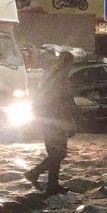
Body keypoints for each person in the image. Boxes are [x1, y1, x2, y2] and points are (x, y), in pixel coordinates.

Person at [24, 51, 77, 195]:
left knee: (56, 153)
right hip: (54, 121)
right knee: (58, 153)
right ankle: (36, 174)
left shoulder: (53, 77)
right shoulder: (60, 80)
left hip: (49, 120)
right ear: (67, 63)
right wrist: (69, 122)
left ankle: (51, 183)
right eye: (71, 64)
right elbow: (61, 104)